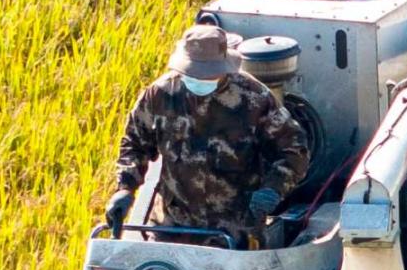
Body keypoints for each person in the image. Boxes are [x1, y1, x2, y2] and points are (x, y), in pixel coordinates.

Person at [105, 23, 311, 243]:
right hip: (172, 224)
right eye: (192, 73)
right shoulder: (161, 94)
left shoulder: (253, 98)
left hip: (234, 228)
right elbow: (135, 143)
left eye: (206, 75)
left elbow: (293, 149)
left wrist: (272, 190)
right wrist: (125, 188)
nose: (199, 80)